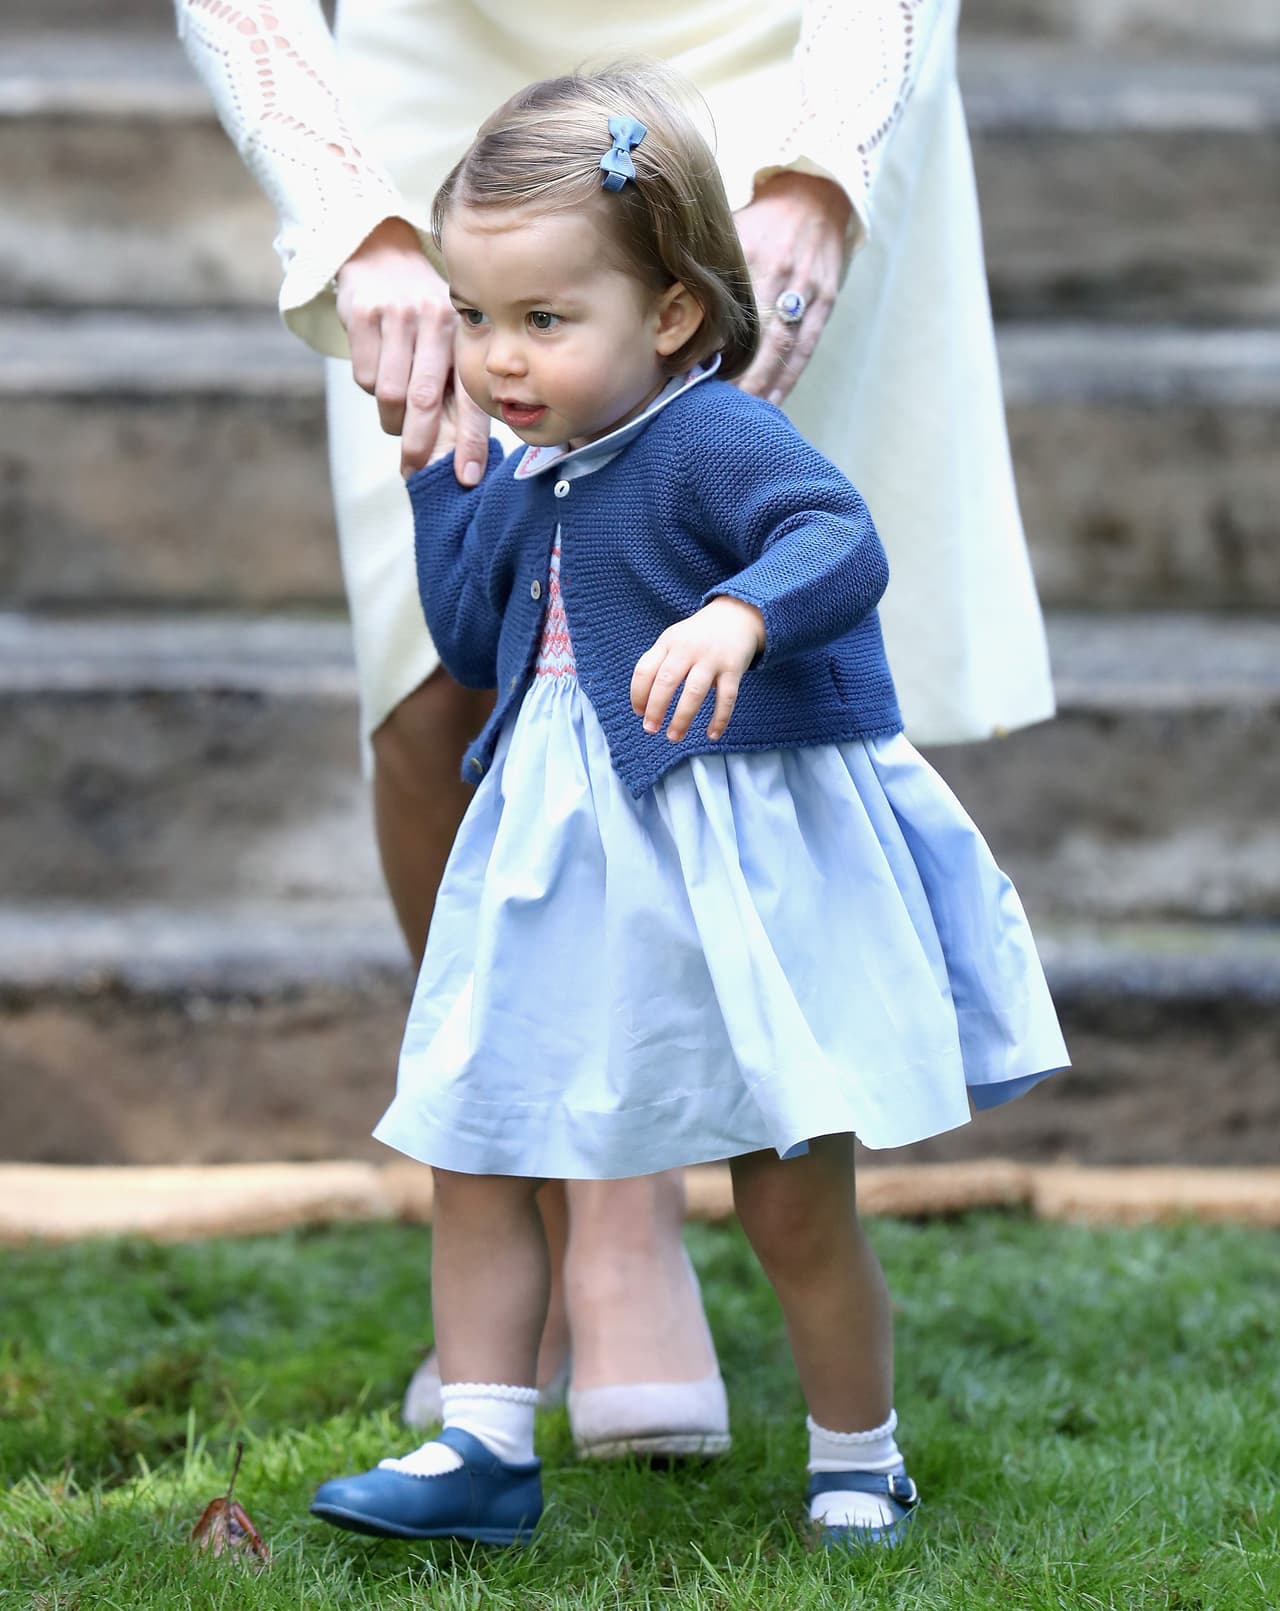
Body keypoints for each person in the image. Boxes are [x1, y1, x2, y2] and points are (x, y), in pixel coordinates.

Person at [175, 0, 1056, 1456]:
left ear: (672, 315)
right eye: (482, 327)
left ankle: (770, 1340)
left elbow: (832, 537)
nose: (496, 361)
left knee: (731, 705)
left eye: (526, 329)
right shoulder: (499, 394)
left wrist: (826, 160)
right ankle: (545, 1294)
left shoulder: (706, 393)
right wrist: (363, 248)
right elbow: (471, 629)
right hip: (437, 74)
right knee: (430, 689)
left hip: (777, 46)